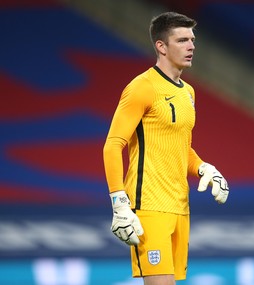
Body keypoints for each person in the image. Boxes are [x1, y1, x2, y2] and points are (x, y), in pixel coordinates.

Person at [103, 11, 229, 285]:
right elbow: (113, 145)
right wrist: (119, 204)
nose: (191, 46)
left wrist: (203, 167)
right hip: (148, 206)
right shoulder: (142, 87)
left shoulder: (188, 92)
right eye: (182, 40)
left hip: (180, 206)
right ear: (161, 46)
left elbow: (181, 147)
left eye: (192, 39)